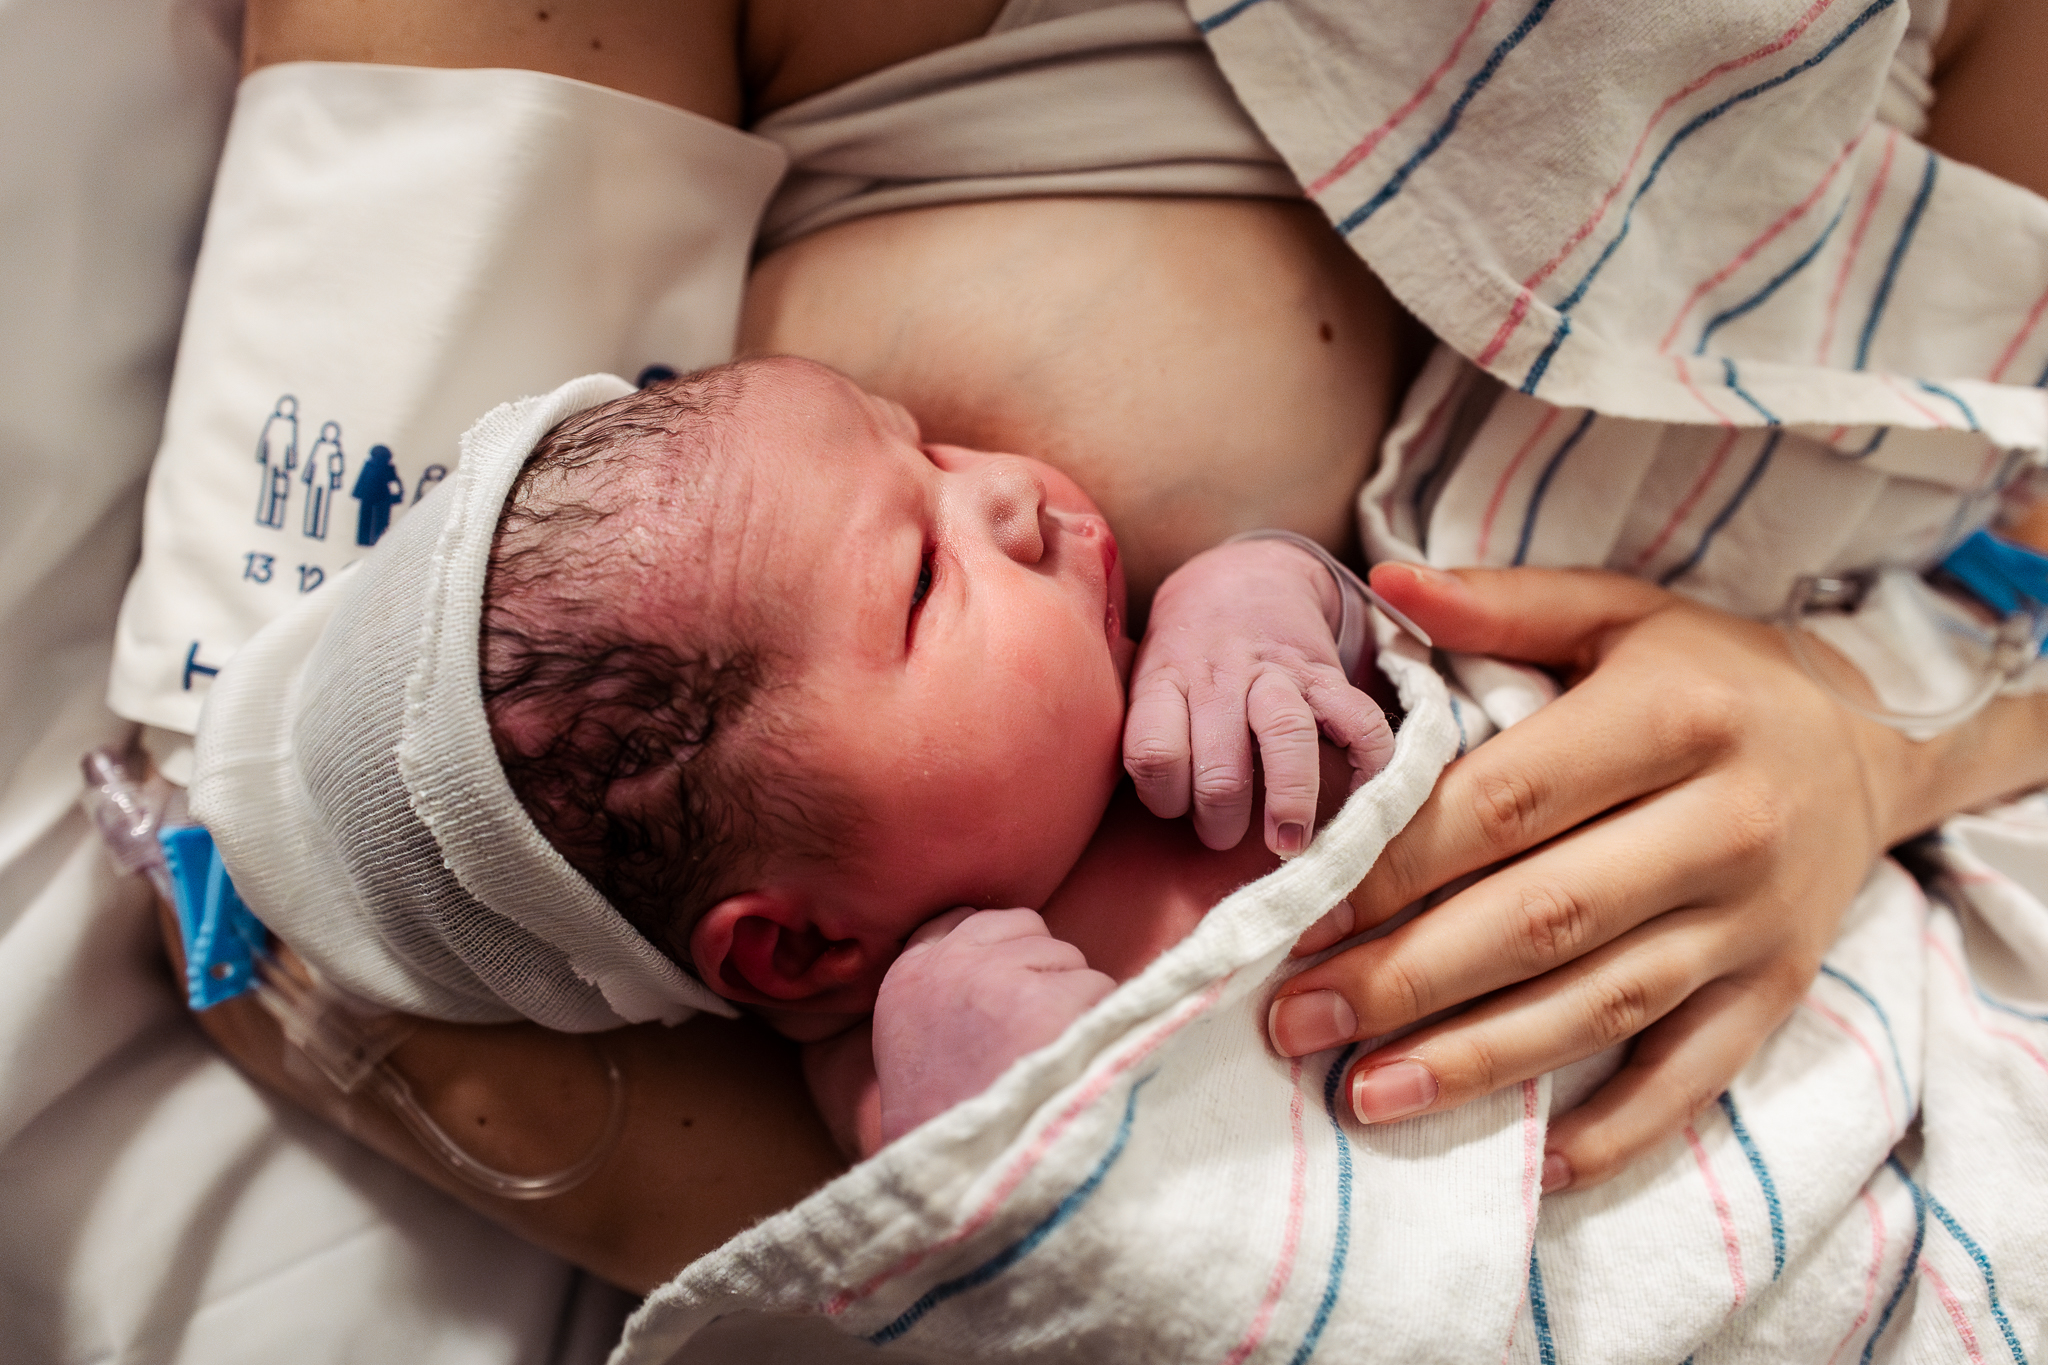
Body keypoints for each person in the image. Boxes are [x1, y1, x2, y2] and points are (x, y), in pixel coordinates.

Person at [168, 0, 2048, 1305]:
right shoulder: (622, 711)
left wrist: (1873, 743)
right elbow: (333, 858)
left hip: (1857, 956)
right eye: (913, 565)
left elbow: (2013, 593)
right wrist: (1051, 1217)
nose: (1005, 501)